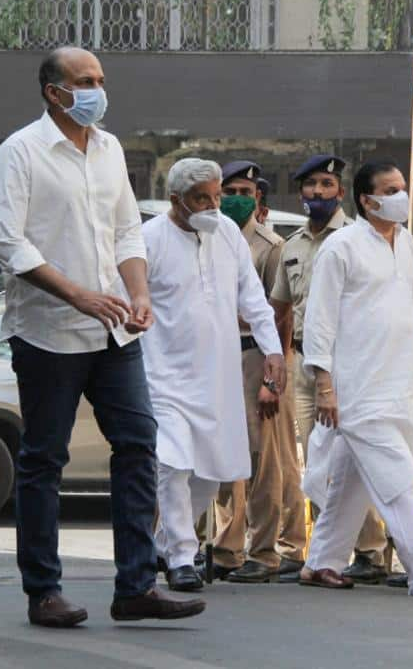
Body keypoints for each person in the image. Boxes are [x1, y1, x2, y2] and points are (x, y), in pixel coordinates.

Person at [0, 47, 205, 627]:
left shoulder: (109, 150)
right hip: (48, 332)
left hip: (115, 333)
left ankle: (136, 586)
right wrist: (76, 294)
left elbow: (127, 231)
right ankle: (44, 591)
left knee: (138, 445)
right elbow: (8, 244)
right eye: (85, 81)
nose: (97, 90)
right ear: (53, 91)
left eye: (101, 80)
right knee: (43, 460)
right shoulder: (21, 151)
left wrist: (139, 295)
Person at [298, 160, 413, 596]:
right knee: (394, 477)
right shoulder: (342, 247)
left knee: (352, 480)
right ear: (366, 200)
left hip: (394, 381)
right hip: (355, 386)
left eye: (401, 187)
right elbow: (319, 320)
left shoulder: (405, 240)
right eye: (390, 190)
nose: (400, 196)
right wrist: (324, 384)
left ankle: (320, 563)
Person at [143, 158, 285, 592]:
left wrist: (273, 350)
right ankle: (184, 556)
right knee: (173, 464)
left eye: (216, 195)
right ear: (176, 200)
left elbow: (253, 298)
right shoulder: (148, 239)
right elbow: (127, 304)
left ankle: (164, 544)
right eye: (201, 198)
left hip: (217, 375)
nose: (212, 205)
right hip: (163, 374)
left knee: (211, 469)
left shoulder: (226, 234)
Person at [270, 155, 390, 583]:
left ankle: (371, 551)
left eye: (326, 185)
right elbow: (281, 310)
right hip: (304, 364)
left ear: (341, 192)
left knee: (357, 458)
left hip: (349, 365)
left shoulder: (360, 239)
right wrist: (278, 364)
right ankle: (325, 555)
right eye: (310, 186)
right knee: (318, 464)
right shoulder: (293, 245)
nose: (318, 193)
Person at [211, 160, 295, 583]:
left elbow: (280, 318)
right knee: (223, 456)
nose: (237, 199)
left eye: (246, 192)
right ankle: (227, 550)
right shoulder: (209, 236)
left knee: (261, 459)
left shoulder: (269, 246)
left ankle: (263, 551)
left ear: (258, 197)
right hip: (216, 356)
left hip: (253, 356)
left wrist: (270, 378)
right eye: (230, 190)